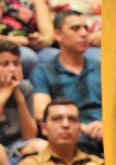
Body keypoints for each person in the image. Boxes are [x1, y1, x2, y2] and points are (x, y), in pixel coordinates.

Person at [31, 10, 103, 154]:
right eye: (75, 28)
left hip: (106, 131)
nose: (84, 34)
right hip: (72, 132)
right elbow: (41, 113)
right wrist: (80, 127)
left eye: (85, 28)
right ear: (58, 35)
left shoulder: (102, 69)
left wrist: (106, 126)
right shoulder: (44, 71)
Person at [0, 0, 58, 78]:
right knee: (27, 58)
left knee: (55, 57)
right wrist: (11, 41)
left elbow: (49, 34)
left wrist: (42, 40)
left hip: (29, 44)